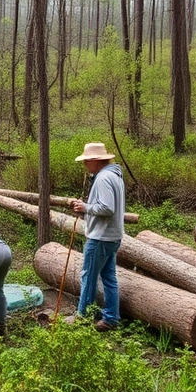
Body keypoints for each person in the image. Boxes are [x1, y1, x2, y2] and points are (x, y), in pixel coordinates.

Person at [70, 142, 126, 331]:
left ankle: (83, 317)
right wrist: (85, 210)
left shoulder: (103, 178)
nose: (85, 165)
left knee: (88, 276)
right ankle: (110, 317)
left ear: (95, 161)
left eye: (86, 161)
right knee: (109, 277)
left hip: (100, 238)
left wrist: (86, 207)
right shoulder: (114, 176)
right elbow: (104, 207)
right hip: (112, 236)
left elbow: (107, 208)